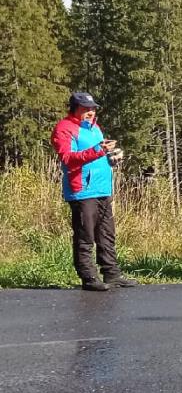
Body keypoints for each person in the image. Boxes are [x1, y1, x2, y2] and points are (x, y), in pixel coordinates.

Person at [50, 92, 138, 291]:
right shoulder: (65, 129)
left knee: (107, 234)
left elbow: (98, 154)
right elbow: (68, 158)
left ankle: (112, 273)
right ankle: (89, 277)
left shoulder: (94, 128)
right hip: (82, 190)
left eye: (92, 108)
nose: (90, 112)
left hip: (102, 188)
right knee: (85, 235)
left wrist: (111, 157)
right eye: (86, 108)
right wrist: (98, 150)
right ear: (74, 108)